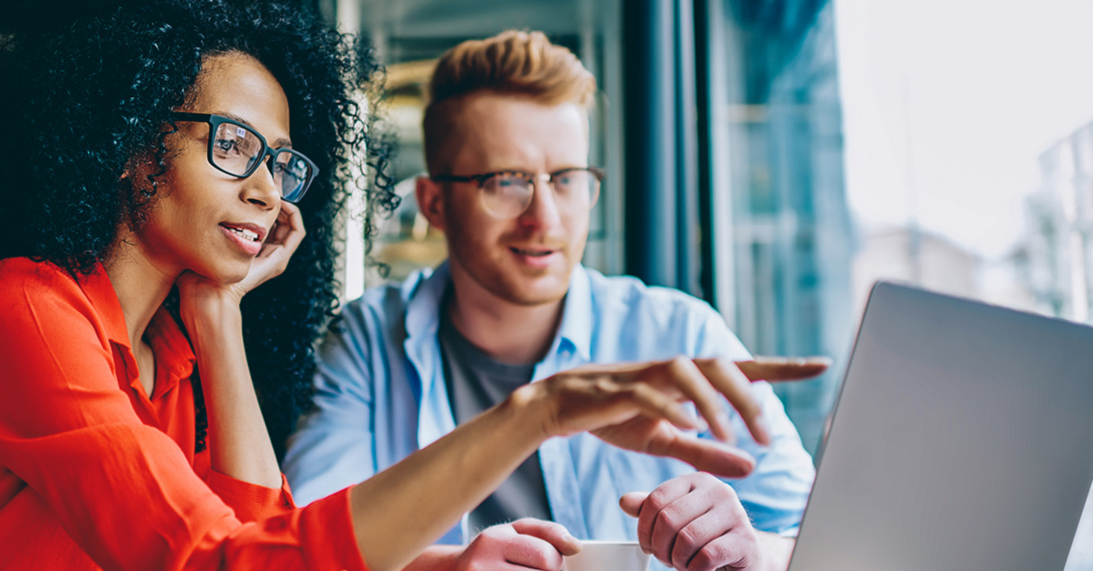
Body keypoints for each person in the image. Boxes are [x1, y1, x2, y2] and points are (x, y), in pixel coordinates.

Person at [282, 30, 822, 571]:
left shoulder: (680, 334)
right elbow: (301, 547)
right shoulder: (367, 341)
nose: (545, 217)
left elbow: (821, 540)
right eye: (505, 182)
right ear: (434, 203)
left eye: (566, 179)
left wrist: (753, 547)